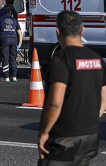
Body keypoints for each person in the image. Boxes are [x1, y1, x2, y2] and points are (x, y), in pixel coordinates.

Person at [38, 11, 106, 166]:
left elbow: (55, 102)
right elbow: (104, 99)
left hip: (64, 139)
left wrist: (44, 132)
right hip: (90, 138)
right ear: (82, 30)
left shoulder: (61, 59)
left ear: (57, 32)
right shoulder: (97, 59)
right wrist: (89, 121)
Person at [0, 7, 22, 82]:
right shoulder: (15, 20)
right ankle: (14, 76)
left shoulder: (0, 19)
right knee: (13, 58)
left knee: (5, 58)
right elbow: (20, 33)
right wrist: (19, 43)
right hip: (14, 39)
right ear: (11, 14)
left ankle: (6, 77)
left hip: (4, 39)